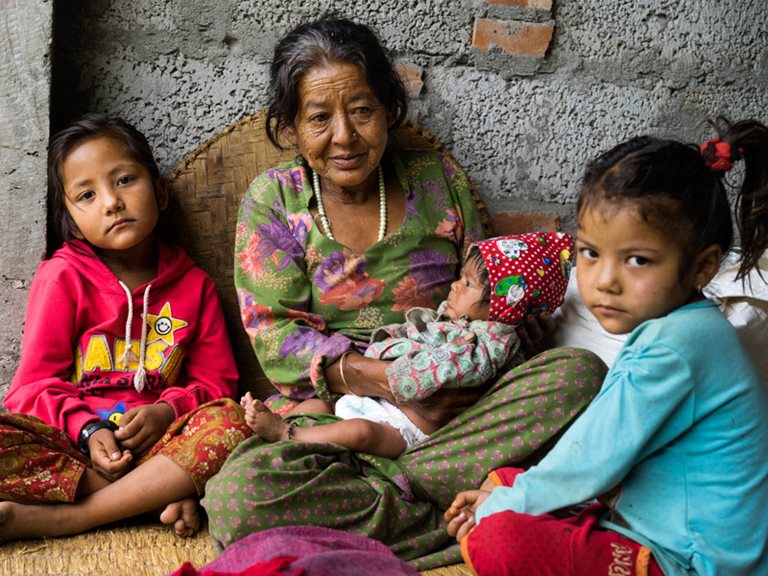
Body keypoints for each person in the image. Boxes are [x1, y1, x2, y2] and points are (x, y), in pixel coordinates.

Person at [202, 16, 606, 570]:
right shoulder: (275, 201)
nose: (344, 136)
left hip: (461, 411)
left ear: (390, 109)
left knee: (580, 373)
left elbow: (484, 284)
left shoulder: (438, 179)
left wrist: (516, 326)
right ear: (292, 129)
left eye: (362, 111)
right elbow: (276, 338)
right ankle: (451, 512)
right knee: (236, 496)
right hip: (341, 418)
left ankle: (395, 504)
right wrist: (393, 384)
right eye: (319, 118)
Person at [445, 119, 768, 576]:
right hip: (646, 529)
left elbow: (590, 460)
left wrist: (500, 511)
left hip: (690, 564)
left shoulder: (677, 345)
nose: (604, 281)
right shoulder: (682, 327)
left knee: (500, 537)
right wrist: (510, 497)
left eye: (637, 260)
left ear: (703, 266)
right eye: (590, 252)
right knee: (506, 482)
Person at [0, 114, 252, 543]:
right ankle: (156, 497)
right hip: (76, 449)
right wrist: (87, 429)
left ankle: (74, 516)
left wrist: (166, 412)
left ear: (159, 191)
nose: (111, 202)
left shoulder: (194, 285)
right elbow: (30, 390)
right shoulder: (63, 277)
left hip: (164, 444)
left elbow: (218, 382)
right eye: (86, 195)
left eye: (123, 180)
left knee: (232, 424)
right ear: (71, 218)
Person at [242, 232, 575, 459]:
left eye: (468, 283)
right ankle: (266, 437)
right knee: (318, 408)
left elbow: (441, 372)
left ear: (504, 306)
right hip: (372, 395)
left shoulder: (486, 344)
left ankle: (289, 435)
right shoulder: (452, 319)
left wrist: (395, 379)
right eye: (460, 276)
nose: (455, 286)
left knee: (360, 433)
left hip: (406, 426)